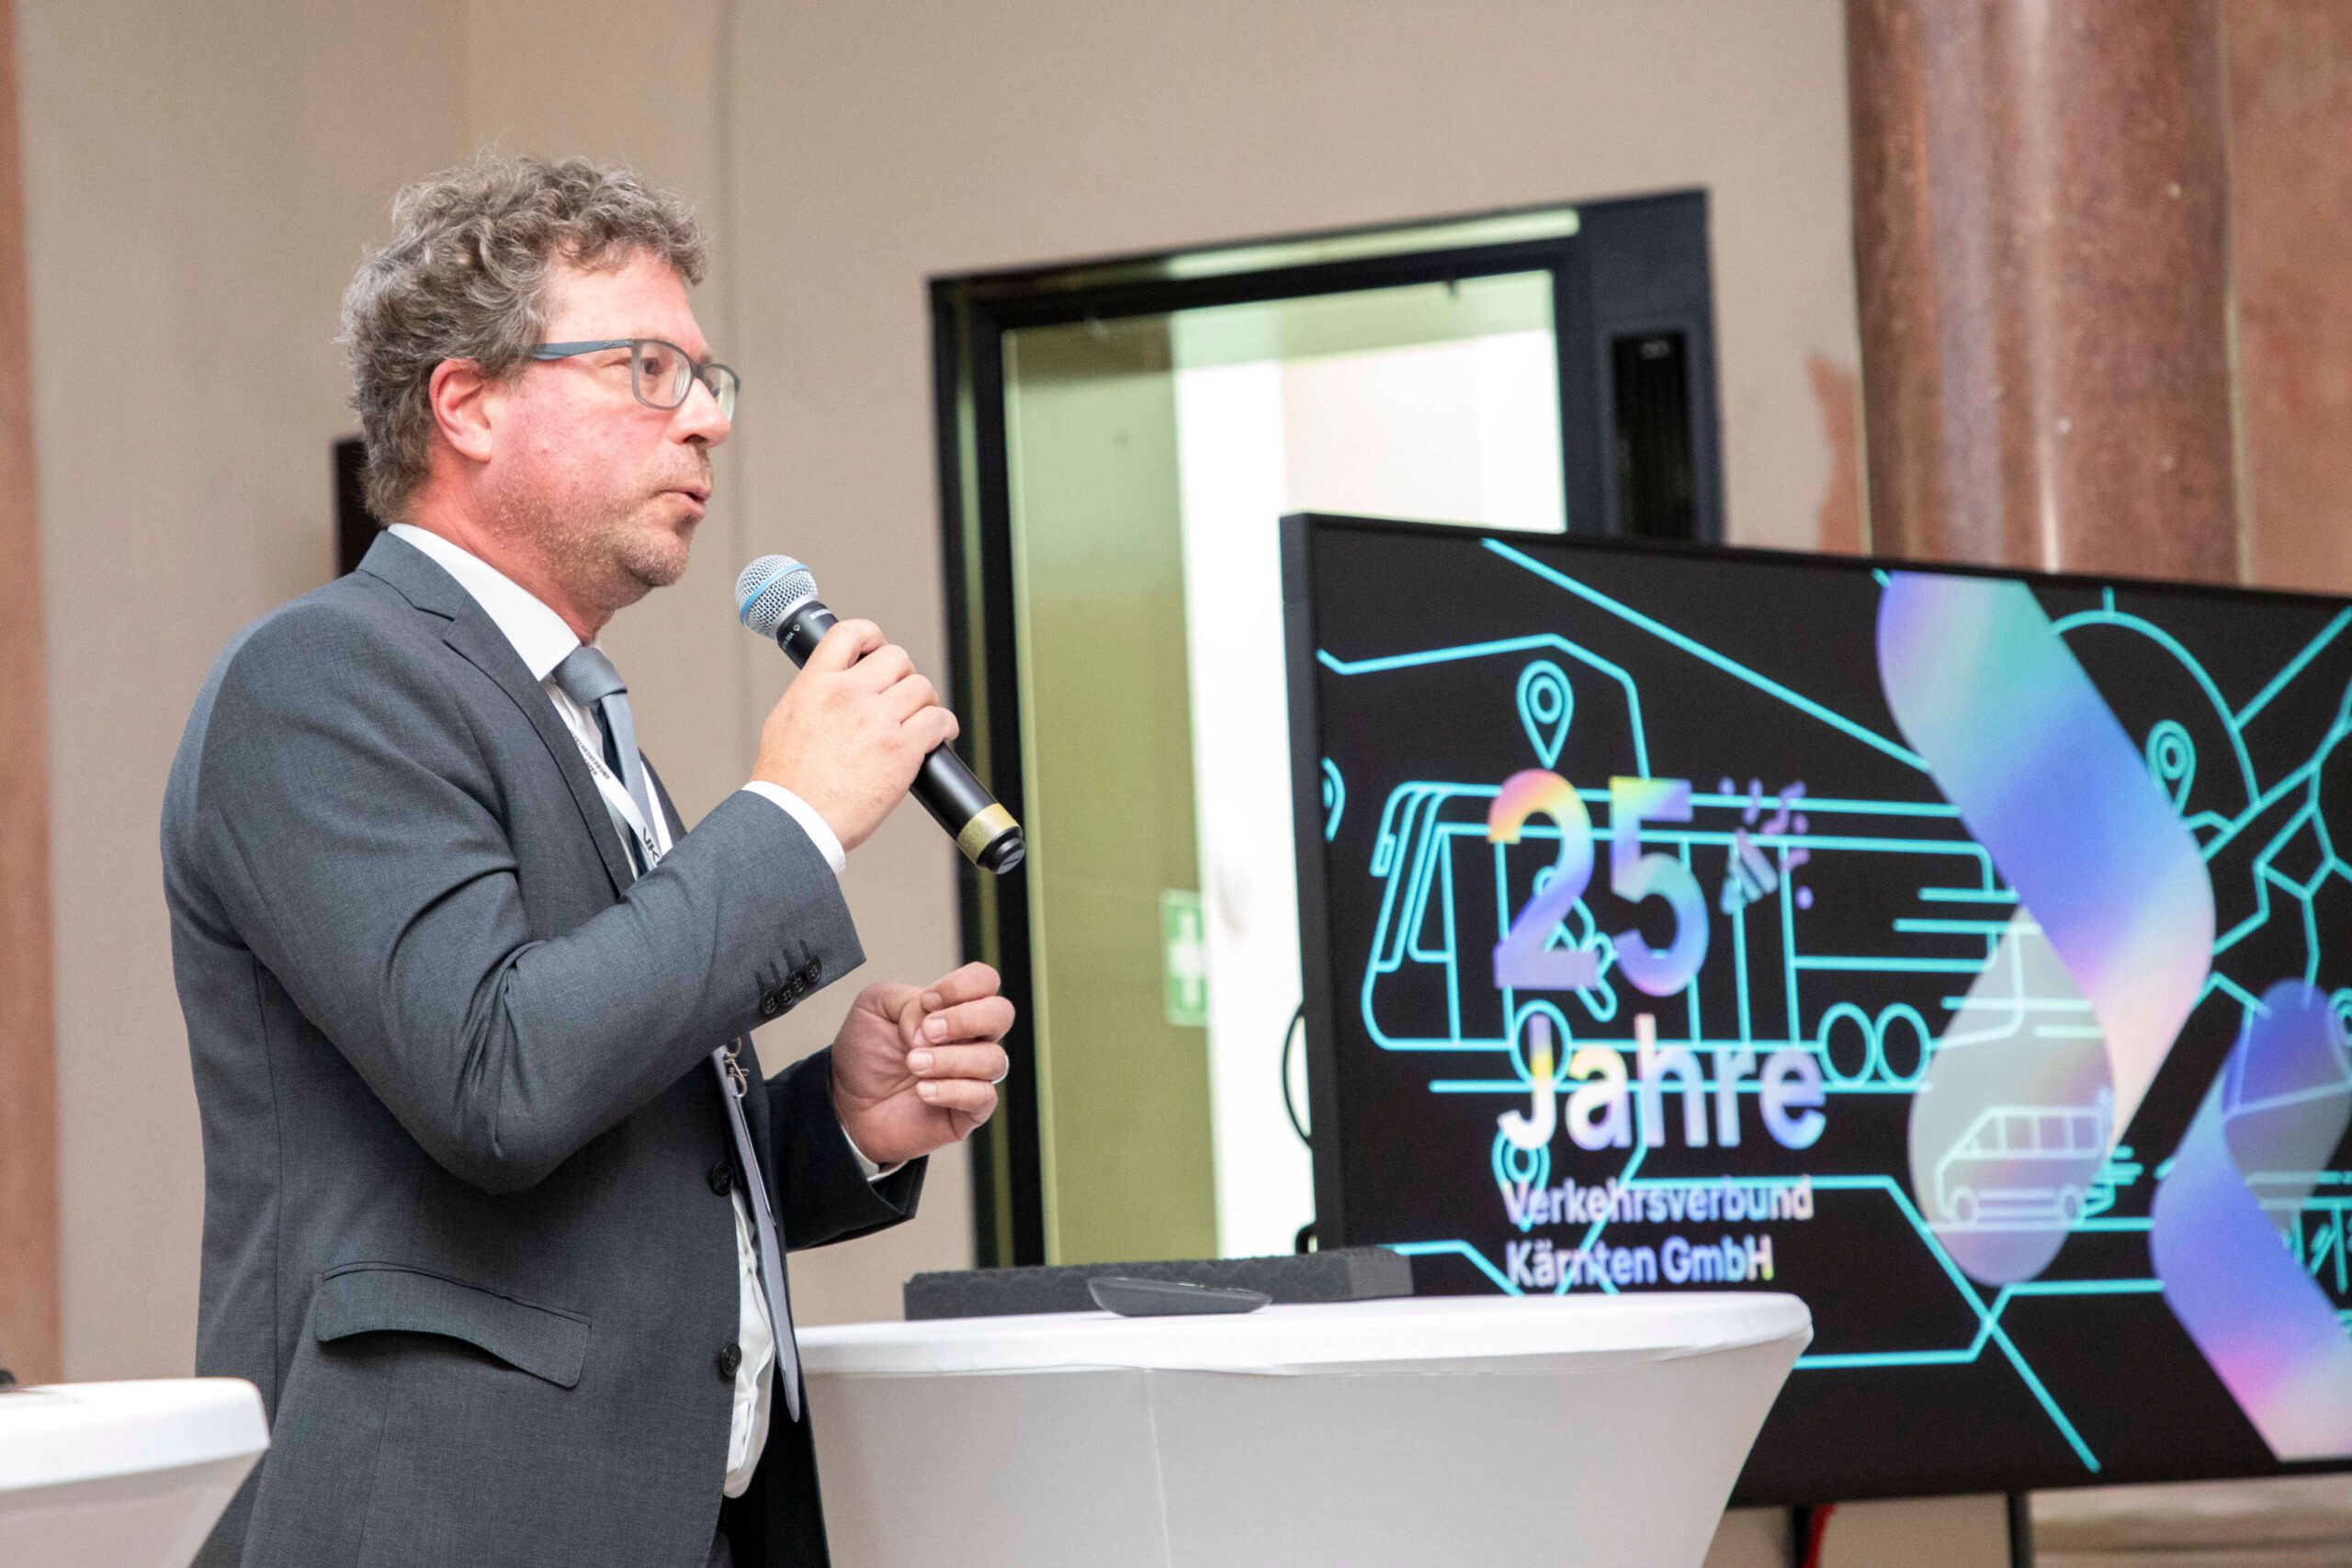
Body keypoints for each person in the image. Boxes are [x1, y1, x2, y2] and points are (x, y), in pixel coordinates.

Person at [162, 152, 1011, 1568]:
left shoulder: (578, 717)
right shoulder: (321, 679)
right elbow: (499, 1080)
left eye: (707, 378)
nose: (707, 420)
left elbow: (619, 1166)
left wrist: (837, 1125)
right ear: (469, 404)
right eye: (648, 370)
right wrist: (793, 817)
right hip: (450, 1527)